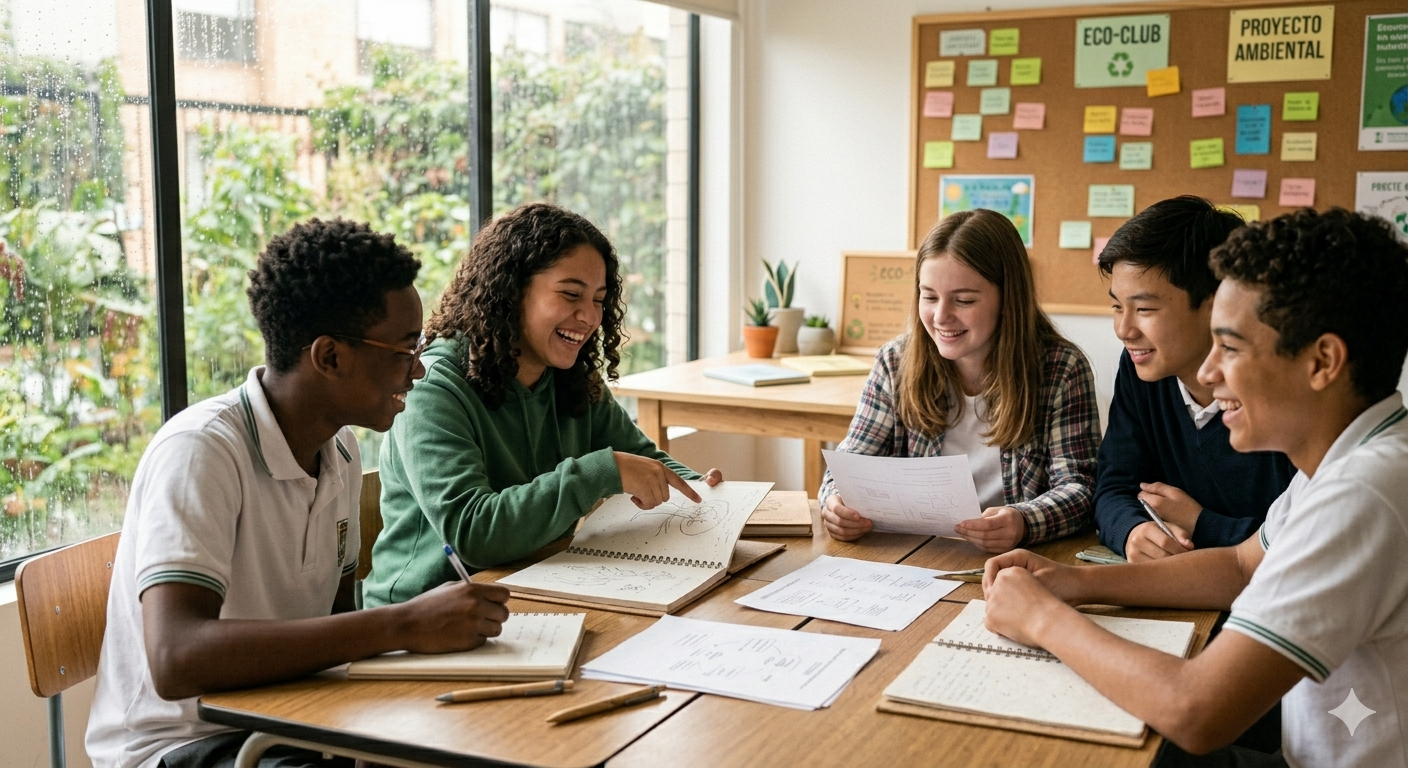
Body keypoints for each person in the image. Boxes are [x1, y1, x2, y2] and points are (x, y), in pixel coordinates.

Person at [982, 208, 1408, 768]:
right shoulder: (1344, 463)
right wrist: (1073, 583)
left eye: (1229, 348)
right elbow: (1238, 566)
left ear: (1322, 361)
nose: (1207, 373)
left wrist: (1041, 618)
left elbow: (1197, 711)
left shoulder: (1362, 495)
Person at [86, 219, 511, 768]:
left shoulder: (341, 451)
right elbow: (176, 659)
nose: (420, 370)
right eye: (405, 351)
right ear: (330, 357)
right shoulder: (202, 452)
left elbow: (334, 626)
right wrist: (403, 625)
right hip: (183, 744)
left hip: (287, 714)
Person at [363, 202, 721, 606]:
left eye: (599, 300)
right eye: (571, 295)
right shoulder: (432, 385)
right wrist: (599, 472)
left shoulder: (570, 380)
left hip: (532, 592)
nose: (589, 317)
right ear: (511, 290)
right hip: (417, 622)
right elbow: (473, 533)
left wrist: (713, 496)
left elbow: (645, 461)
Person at [819, 209, 1101, 553]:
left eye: (963, 300)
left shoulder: (1061, 369)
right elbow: (851, 463)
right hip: (918, 555)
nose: (941, 317)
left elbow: (1080, 487)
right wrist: (835, 503)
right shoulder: (896, 361)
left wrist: (1022, 521)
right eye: (929, 296)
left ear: (1007, 299)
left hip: (1016, 560)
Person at [1095, 197, 1294, 562]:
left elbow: (1304, 540)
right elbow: (1113, 484)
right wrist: (1131, 531)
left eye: (1144, 309)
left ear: (1216, 302)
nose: (1124, 329)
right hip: (1186, 586)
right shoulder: (1141, 368)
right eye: (1116, 307)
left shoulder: (1281, 393)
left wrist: (1203, 524)